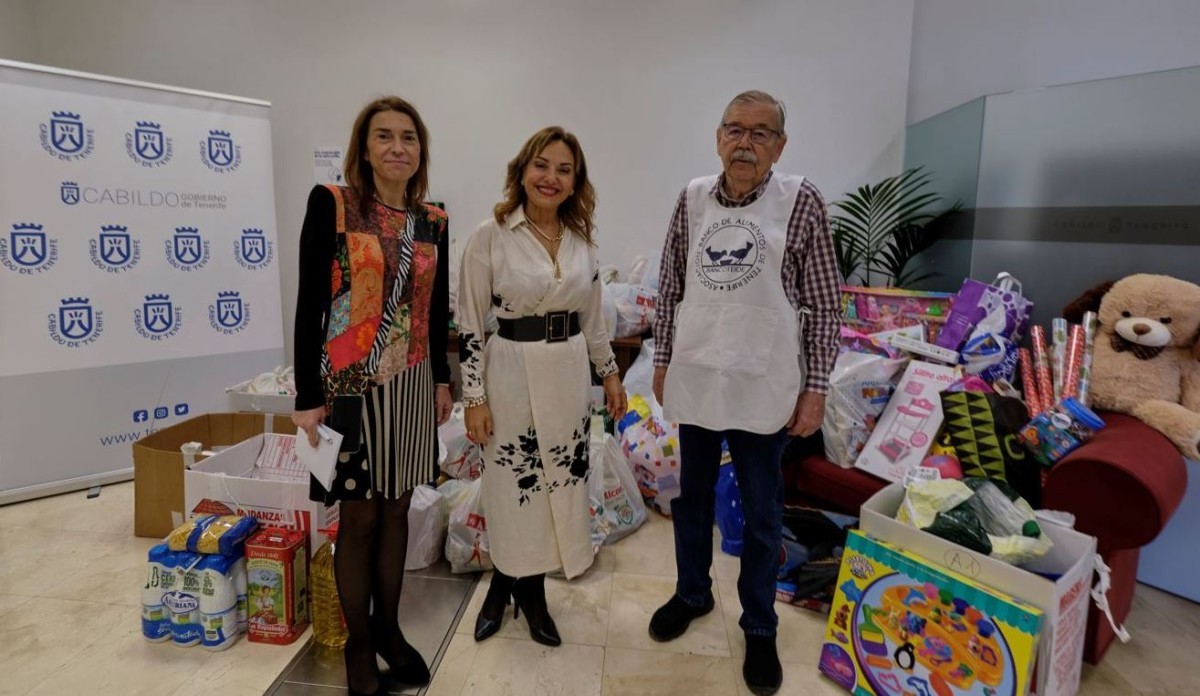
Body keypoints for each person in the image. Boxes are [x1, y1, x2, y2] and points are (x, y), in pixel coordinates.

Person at [648, 90, 842, 696]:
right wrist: (661, 361)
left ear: (780, 146)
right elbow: (672, 283)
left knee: (761, 516)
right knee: (692, 501)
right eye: (734, 130)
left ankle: (759, 625)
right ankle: (692, 593)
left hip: (763, 382)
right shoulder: (692, 198)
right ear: (717, 137)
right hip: (700, 374)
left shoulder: (800, 201)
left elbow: (824, 306)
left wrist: (814, 391)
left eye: (760, 134)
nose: (745, 143)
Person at [292, 96, 453, 696]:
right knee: (357, 518)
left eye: (408, 138)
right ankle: (361, 649)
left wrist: (442, 379)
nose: (397, 148)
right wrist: (309, 395)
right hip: (347, 388)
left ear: (421, 151)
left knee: (396, 510)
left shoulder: (432, 220)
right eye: (383, 137)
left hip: (410, 383)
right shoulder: (332, 204)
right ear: (363, 147)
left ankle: (389, 630)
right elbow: (310, 304)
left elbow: (435, 310)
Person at [457, 126, 627, 647]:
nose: (550, 177)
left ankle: (523, 589)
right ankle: (509, 588)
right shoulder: (491, 235)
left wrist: (611, 373)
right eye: (542, 165)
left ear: (576, 182)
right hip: (509, 372)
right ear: (522, 170)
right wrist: (474, 399)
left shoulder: (581, 243)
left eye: (564, 169)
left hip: (568, 374)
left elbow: (594, 320)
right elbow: (468, 322)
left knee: (561, 486)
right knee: (515, 489)